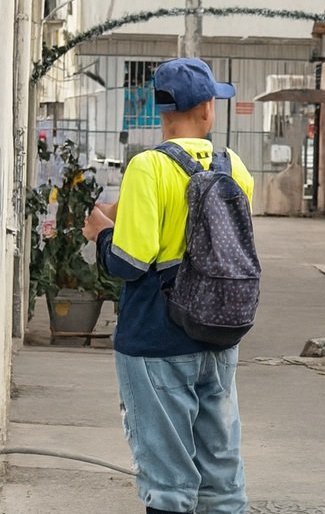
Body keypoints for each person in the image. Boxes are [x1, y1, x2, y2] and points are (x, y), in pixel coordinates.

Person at [83, 57, 253, 514]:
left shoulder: (147, 167)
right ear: (206, 110)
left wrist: (100, 233)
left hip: (157, 339)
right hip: (219, 333)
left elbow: (129, 263)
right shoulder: (234, 167)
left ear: (162, 111)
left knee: (169, 480)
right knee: (222, 476)